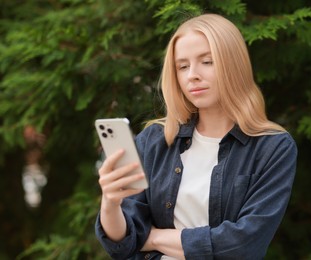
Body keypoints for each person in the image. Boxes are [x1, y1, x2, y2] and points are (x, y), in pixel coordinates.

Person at [95, 13, 297, 260]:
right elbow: (122, 243)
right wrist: (110, 203)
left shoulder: (273, 147)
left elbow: (244, 246)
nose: (193, 75)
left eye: (207, 62)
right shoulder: (154, 141)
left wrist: (154, 238)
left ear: (233, 64)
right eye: (182, 66)